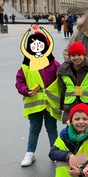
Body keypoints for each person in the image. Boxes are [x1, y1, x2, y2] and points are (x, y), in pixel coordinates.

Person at [15, 27, 61, 166]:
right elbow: (19, 82)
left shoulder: (53, 64)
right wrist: (25, 90)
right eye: (34, 45)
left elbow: (62, 76)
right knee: (34, 128)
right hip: (35, 103)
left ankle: (55, 151)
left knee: (51, 128)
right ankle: (30, 153)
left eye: (40, 45)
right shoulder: (25, 66)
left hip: (49, 103)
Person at [57, 41, 88, 124]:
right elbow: (62, 90)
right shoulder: (63, 71)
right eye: (73, 55)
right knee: (71, 134)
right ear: (69, 57)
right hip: (70, 107)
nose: (76, 58)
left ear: (84, 56)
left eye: (79, 55)